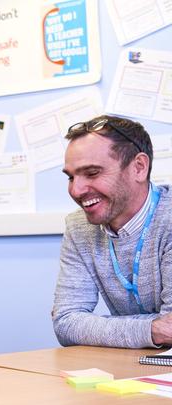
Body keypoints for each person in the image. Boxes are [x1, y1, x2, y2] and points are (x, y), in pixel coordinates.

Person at [53, 115, 172, 348]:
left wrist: (99, 328)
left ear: (139, 167)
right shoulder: (79, 228)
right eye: (71, 177)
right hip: (136, 370)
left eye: (92, 173)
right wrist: (152, 329)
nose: (76, 190)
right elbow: (66, 323)